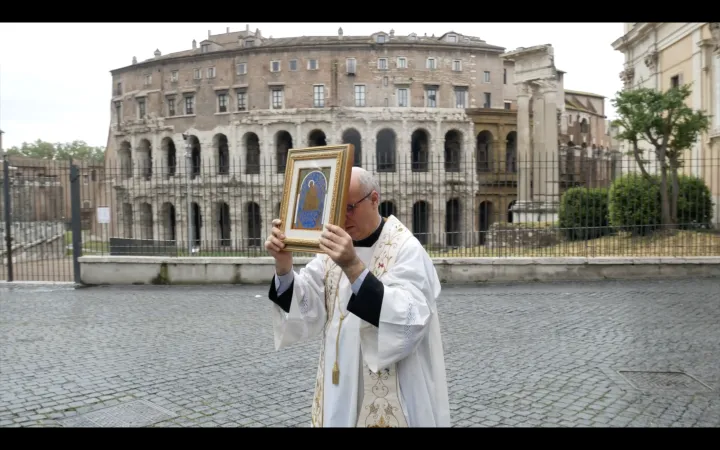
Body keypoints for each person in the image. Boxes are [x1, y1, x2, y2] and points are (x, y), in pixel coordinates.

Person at [264, 166, 450, 428]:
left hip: (393, 387)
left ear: (375, 199)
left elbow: (411, 320)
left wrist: (353, 266)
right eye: (337, 211)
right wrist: (284, 266)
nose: (343, 219)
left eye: (349, 208)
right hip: (337, 382)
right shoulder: (332, 250)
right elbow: (308, 307)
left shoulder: (405, 248)